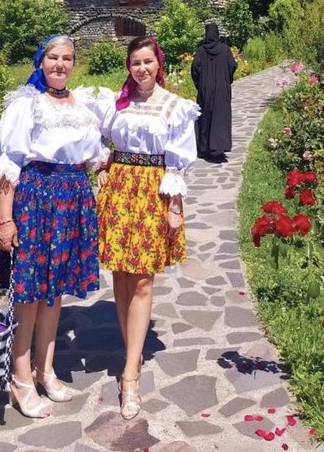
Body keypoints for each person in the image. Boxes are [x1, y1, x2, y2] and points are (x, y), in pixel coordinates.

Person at [0, 34, 110, 418]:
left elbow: (92, 158)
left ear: (74, 63)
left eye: (67, 58)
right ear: (41, 62)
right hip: (35, 201)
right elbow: (12, 162)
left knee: (54, 294)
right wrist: (6, 218)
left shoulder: (84, 105)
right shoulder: (28, 106)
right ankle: (20, 380)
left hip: (72, 201)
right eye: (53, 57)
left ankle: (45, 370)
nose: (60, 64)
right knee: (30, 294)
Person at [96, 36, 200, 420]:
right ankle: (132, 354)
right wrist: (103, 167)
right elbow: (100, 140)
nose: (141, 69)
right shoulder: (117, 104)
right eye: (135, 63)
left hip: (153, 192)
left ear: (159, 65)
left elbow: (178, 162)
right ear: (129, 67)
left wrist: (174, 206)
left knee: (143, 280)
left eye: (148, 62)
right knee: (121, 277)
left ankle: (129, 377)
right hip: (120, 189)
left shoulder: (175, 108)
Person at [191, 23, 237, 162]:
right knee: (220, 117)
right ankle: (219, 147)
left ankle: (205, 148)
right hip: (222, 89)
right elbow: (232, 66)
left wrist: (200, 84)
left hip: (206, 89)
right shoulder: (225, 49)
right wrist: (226, 79)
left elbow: (194, 70)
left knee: (206, 117)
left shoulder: (201, 51)